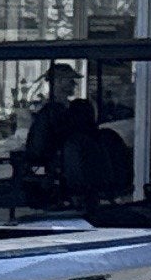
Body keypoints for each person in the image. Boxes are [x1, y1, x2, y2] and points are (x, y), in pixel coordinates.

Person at [17, 64, 109, 205]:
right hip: (66, 181)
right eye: (70, 80)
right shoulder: (48, 114)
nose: (74, 84)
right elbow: (37, 149)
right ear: (58, 82)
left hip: (87, 175)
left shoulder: (78, 109)